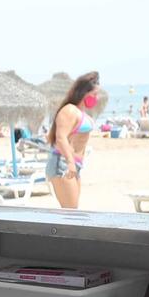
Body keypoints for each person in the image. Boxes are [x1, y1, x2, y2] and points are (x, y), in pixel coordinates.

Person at [48, 72, 102, 209]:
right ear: (84, 92)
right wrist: (70, 162)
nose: (96, 98)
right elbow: (60, 138)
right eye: (94, 94)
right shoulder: (69, 110)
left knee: (72, 212)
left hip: (74, 165)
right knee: (71, 213)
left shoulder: (81, 112)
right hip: (63, 163)